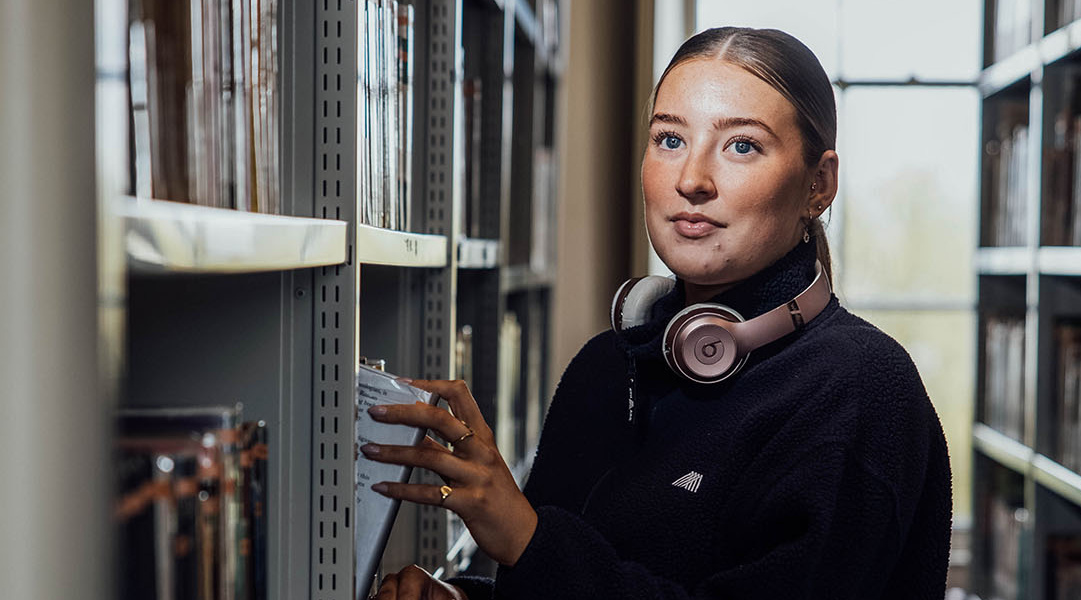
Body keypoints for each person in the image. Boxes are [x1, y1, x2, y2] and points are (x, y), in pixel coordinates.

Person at [362, 26, 952, 600]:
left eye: (741, 145)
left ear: (819, 185)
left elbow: (549, 560)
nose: (691, 180)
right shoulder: (605, 368)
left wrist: (530, 541)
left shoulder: (864, 389)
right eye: (670, 139)